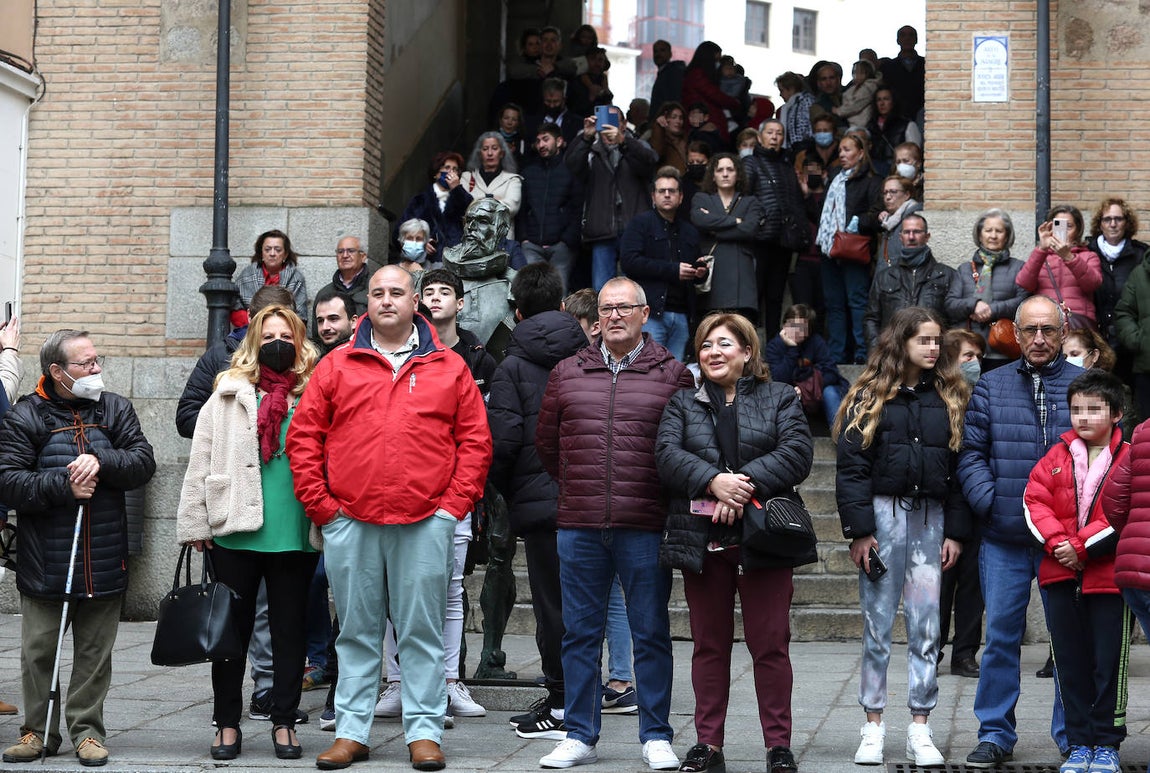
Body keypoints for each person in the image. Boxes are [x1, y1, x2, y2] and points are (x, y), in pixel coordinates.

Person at [285, 265, 492, 771]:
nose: (385, 300)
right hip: (351, 520)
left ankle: (423, 731)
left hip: (425, 520)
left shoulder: (448, 365)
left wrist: (451, 509)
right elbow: (304, 438)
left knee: (421, 630)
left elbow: (476, 442)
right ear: (366, 305)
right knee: (356, 631)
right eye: (376, 293)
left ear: (414, 301)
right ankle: (352, 731)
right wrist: (324, 510)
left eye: (396, 292)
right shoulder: (337, 364)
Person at [534, 277, 694, 770]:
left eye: (626, 307)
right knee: (579, 633)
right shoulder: (567, 371)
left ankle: (656, 735)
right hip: (579, 521)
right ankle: (580, 733)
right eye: (607, 308)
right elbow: (548, 444)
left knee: (650, 631)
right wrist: (581, 487)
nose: (615, 315)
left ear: (646, 314)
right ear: (595, 316)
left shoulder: (672, 374)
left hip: (645, 522)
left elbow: (684, 448)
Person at [656, 312, 814, 773]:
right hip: (703, 541)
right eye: (706, 345)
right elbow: (667, 456)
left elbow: (797, 453)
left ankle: (778, 746)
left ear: (747, 352)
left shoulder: (781, 397)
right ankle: (709, 744)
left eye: (725, 344)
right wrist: (712, 481)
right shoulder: (682, 404)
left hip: (763, 541)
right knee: (709, 645)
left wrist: (737, 487)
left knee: (770, 645)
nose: (714, 353)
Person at [0, 330, 156, 767]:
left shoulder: (115, 408)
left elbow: (143, 461)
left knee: (93, 654)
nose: (96, 369)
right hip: (46, 559)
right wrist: (63, 484)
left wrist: (103, 461)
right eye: (85, 363)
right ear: (56, 372)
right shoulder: (26, 415)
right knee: (38, 652)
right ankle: (38, 732)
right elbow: (9, 482)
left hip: (103, 557)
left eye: (97, 360)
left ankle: (87, 731)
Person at [176, 305, 321, 761]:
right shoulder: (226, 391)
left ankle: (284, 720)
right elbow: (200, 458)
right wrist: (195, 522)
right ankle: (226, 722)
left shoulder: (316, 391)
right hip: (233, 527)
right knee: (230, 632)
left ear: (299, 341)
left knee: (289, 630)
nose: (277, 342)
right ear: (253, 342)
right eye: (268, 334)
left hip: (295, 529)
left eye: (286, 334)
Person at [834, 306, 970, 767]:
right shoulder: (869, 395)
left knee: (927, 626)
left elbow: (959, 471)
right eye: (924, 341)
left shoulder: (952, 395)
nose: (933, 349)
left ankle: (920, 725)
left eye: (938, 341)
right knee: (877, 626)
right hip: (882, 517)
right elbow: (851, 470)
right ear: (901, 344)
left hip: (932, 521)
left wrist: (955, 532)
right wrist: (859, 532)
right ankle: (872, 725)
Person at [958, 294, 1082, 768]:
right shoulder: (990, 385)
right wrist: (992, 502)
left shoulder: (1084, 385)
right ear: (1015, 331)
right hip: (1003, 535)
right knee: (1002, 638)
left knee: (1068, 639)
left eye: (1048, 330)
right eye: (1029, 330)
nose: (1037, 339)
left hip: (1065, 543)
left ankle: (1073, 734)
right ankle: (994, 732)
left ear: (1062, 328)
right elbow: (970, 453)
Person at [374, 268, 493, 725]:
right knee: (388, 595)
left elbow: (474, 438)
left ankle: (446, 682)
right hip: (386, 501)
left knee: (448, 594)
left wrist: (456, 502)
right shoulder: (362, 357)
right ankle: (396, 683)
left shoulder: (462, 360)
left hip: (446, 503)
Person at [487, 263, 590, 739]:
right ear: (564, 305)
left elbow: (504, 441)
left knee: (552, 605)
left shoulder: (511, 364)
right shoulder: (590, 354)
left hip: (540, 504)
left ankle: (564, 701)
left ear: (518, 310)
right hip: (593, 497)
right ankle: (585, 696)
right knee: (586, 603)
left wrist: (508, 491)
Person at [1023, 369, 1130, 773]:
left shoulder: (1130, 457)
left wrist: (1081, 547)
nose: (1082, 418)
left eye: (1094, 409)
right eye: (1076, 410)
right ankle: (1079, 743)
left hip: (1109, 580)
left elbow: (1124, 514)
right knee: (1069, 662)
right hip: (1060, 575)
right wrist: (1059, 546)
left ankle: (1107, 744)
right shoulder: (1056, 455)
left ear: (1116, 413)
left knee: (1108, 663)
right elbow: (1035, 501)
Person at [565, 104, 659, 291]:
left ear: (624, 124)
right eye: (604, 121)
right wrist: (585, 137)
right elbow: (571, 166)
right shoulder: (591, 150)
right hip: (602, 230)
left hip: (634, 229)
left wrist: (624, 142)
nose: (609, 126)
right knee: (602, 288)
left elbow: (650, 162)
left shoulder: (636, 145)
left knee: (633, 288)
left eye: (615, 121)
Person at [938, 330, 986, 678]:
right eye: (967, 356)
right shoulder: (936, 398)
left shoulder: (983, 396)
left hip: (978, 503)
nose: (975, 363)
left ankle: (965, 653)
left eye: (977, 356)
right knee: (940, 584)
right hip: (943, 502)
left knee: (973, 584)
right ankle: (932, 648)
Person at [619, 167, 704, 362]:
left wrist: (701, 272)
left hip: (683, 314)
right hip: (651, 312)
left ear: (681, 197)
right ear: (653, 196)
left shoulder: (690, 231)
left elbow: (696, 266)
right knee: (648, 371)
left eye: (672, 191)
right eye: (661, 191)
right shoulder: (640, 224)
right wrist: (673, 270)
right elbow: (629, 262)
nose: (667, 195)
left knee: (675, 376)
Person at [815, 133, 883, 364]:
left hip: (853, 250)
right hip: (829, 248)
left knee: (857, 302)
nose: (842, 154)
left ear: (861, 153)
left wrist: (858, 222)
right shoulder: (834, 177)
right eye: (840, 150)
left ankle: (861, 354)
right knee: (834, 304)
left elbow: (877, 213)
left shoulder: (872, 180)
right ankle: (836, 355)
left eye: (847, 150)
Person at [744, 120, 809, 338]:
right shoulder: (750, 163)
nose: (774, 137)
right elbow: (745, 200)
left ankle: (772, 347)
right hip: (759, 240)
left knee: (776, 297)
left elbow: (797, 203)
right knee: (754, 295)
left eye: (779, 133)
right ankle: (749, 346)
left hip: (783, 240)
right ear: (760, 136)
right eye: (770, 132)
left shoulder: (787, 167)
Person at [945, 208, 1029, 370]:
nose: (993, 235)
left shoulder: (1018, 267)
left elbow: (1023, 302)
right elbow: (950, 304)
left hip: (1002, 349)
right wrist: (974, 305)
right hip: (968, 351)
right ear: (979, 234)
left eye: (999, 231)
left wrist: (992, 310)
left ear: (1007, 236)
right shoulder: (964, 269)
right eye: (988, 230)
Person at [691, 152, 764, 323]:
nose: (725, 174)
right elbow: (699, 219)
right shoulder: (701, 198)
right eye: (720, 170)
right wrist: (736, 221)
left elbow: (750, 229)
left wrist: (714, 228)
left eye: (730, 169)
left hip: (742, 281)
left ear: (737, 174)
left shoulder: (750, 201)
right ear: (713, 175)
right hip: (713, 278)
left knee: (740, 334)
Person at [863, 213, 956, 346]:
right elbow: (871, 318)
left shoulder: (947, 275)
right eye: (907, 232)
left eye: (917, 232)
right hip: (893, 353)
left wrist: (946, 351)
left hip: (933, 353)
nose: (911, 237)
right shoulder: (884, 277)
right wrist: (877, 348)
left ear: (927, 236)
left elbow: (956, 320)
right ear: (900, 237)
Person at [1016, 205, 1103, 330]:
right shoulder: (1041, 256)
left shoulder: (1088, 256)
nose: (1064, 231)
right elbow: (1024, 283)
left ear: (1078, 230)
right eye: (1059, 225)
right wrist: (1041, 249)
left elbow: (1092, 284)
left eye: (1069, 226)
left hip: (1078, 322)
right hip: (1046, 321)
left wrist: (1069, 257)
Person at [1089, 198, 1146, 383]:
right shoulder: (1087, 252)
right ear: (1100, 224)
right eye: (1107, 219)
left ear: (1127, 222)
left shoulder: (1140, 254)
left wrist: (1136, 336)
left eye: (1118, 219)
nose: (1113, 224)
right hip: (1095, 338)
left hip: (1129, 342)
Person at [519, 122, 580, 292]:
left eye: (546, 139)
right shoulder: (529, 172)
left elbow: (577, 209)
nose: (541, 145)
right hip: (532, 245)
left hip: (561, 246)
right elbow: (522, 209)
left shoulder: (570, 171)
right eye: (538, 141)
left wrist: (567, 240)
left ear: (559, 141)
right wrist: (524, 238)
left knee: (559, 293)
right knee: (532, 293)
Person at [764, 303, 846, 427]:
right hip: (792, 396)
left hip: (817, 394)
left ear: (808, 330)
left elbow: (831, 373)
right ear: (784, 324)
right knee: (785, 397)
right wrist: (792, 348)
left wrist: (805, 388)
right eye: (793, 325)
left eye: (802, 328)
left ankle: (841, 439)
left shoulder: (816, 342)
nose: (797, 331)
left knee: (830, 392)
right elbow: (779, 378)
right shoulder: (774, 346)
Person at [397, 152, 473, 258]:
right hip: (426, 261)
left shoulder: (462, 198)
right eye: (447, 168)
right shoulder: (420, 201)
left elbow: (472, 213)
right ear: (436, 173)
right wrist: (420, 242)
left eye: (455, 169)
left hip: (455, 260)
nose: (452, 173)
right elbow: (401, 231)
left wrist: (457, 189)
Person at [233, 229, 309, 326]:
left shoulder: (296, 278)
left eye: (277, 250)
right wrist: (253, 327)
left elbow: (300, 317)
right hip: (249, 331)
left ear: (285, 254)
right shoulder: (247, 275)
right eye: (267, 249)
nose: (272, 253)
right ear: (261, 253)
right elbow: (235, 308)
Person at [460, 132, 523, 239]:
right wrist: (495, 200)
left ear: (502, 153)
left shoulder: (513, 180)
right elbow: (462, 206)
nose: (490, 153)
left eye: (494, 148)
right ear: (479, 154)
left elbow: (510, 208)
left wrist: (476, 202)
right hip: (472, 239)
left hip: (502, 240)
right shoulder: (467, 177)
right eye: (485, 149)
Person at [681, 42, 740, 147]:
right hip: (705, 124)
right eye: (716, 60)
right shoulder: (698, 75)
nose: (718, 64)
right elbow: (715, 95)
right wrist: (735, 103)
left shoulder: (696, 74)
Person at [866, 87, 922, 178]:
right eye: (878, 100)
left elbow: (914, 154)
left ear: (893, 102)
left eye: (886, 99)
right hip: (875, 170)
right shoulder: (871, 126)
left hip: (898, 170)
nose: (882, 103)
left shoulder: (907, 125)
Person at [313, 236, 370, 322]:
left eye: (351, 251)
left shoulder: (374, 288)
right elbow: (317, 332)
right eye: (340, 252)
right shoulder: (324, 293)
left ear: (363, 257)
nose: (345, 255)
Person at [880, 26, 926, 125]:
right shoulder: (887, 67)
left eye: (911, 35)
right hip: (896, 116)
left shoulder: (928, 64)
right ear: (898, 40)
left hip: (924, 114)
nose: (907, 38)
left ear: (916, 39)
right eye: (903, 35)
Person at [875, 175, 921, 266]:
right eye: (885, 192)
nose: (887, 197)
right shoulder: (889, 220)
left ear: (907, 195)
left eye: (893, 192)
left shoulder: (913, 218)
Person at [775, 72, 815, 152]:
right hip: (792, 150)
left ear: (791, 89)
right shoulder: (790, 107)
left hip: (805, 148)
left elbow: (811, 126)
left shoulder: (806, 101)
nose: (780, 94)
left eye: (782, 90)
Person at [833, 60, 879, 129]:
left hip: (861, 125)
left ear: (868, 73)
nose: (856, 75)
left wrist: (839, 111)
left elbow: (856, 105)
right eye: (854, 72)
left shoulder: (869, 88)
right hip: (851, 123)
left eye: (861, 73)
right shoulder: (853, 87)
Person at [649, 101, 690, 174]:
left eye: (681, 118)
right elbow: (657, 152)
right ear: (665, 119)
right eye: (673, 117)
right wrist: (659, 127)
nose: (678, 121)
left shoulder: (686, 140)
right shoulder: (661, 139)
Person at [649, 40, 686, 118]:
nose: (658, 54)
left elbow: (674, 100)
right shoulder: (664, 74)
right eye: (655, 51)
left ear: (670, 54)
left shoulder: (674, 73)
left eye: (662, 50)